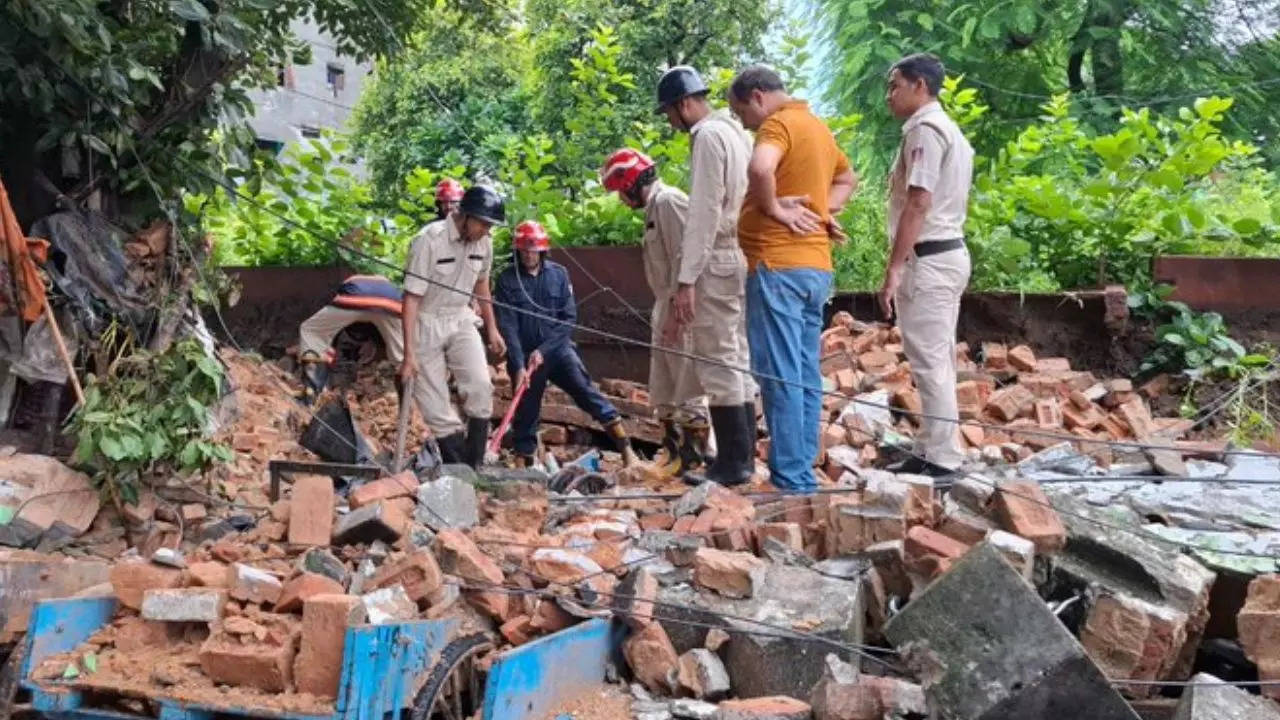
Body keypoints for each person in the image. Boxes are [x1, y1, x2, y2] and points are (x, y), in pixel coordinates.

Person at [728, 64, 858, 493]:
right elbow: (847, 177)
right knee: (802, 373)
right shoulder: (818, 128)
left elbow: (761, 169)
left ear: (758, 96)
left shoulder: (778, 125)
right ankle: (799, 472)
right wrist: (823, 213)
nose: (744, 123)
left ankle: (792, 480)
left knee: (780, 374)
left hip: (777, 267)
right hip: (813, 269)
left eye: (741, 112)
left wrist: (775, 209)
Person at [654, 65, 756, 487]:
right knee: (737, 356)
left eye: (669, 114)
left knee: (717, 360)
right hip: (740, 251)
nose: (671, 123)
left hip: (716, 255)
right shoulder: (736, 132)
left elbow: (703, 213)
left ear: (683, 105)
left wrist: (686, 279)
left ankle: (732, 463)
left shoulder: (708, 137)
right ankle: (742, 458)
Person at [880, 53, 974, 477]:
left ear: (920, 86)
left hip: (930, 255)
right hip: (947, 251)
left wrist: (895, 266)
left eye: (895, 85)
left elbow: (919, 201)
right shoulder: (948, 129)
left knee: (930, 360)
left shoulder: (926, 130)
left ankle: (943, 458)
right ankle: (933, 445)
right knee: (936, 358)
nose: (889, 95)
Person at [601, 147, 713, 477]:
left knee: (685, 381)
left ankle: (692, 459)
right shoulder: (654, 208)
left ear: (632, 183)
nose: (621, 200)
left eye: (621, 191)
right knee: (665, 383)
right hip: (664, 300)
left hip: (679, 302)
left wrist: (679, 306)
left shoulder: (669, 202)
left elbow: (687, 256)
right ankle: (672, 451)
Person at [493, 220, 640, 467]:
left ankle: (627, 450)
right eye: (524, 250)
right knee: (526, 410)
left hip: (558, 351)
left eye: (534, 250)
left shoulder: (559, 274)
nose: (529, 255)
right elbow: (508, 326)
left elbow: (568, 318)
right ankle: (523, 463)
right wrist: (518, 364)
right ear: (517, 251)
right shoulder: (507, 280)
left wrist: (544, 350)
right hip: (525, 356)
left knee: (586, 392)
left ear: (542, 250)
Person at [400, 185, 507, 468]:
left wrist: (492, 329)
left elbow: (483, 284)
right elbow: (411, 299)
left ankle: (474, 467)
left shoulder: (484, 242)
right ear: (466, 215)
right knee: (435, 405)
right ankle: (460, 470)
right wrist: (409, 354)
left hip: (460, 317)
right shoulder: (429, 240)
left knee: (480, 387)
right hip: (427, 319)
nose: (486, 230)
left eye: (490, 225)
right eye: (483, 223)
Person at [297, 274, 405, 403]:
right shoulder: (390, 285)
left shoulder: (351, 281)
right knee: (404, 358)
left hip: (354, 300)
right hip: (392, 306)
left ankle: (311, 394)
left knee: (312, 330)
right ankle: (407, 404)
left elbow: (334, 328)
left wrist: (328, 351)